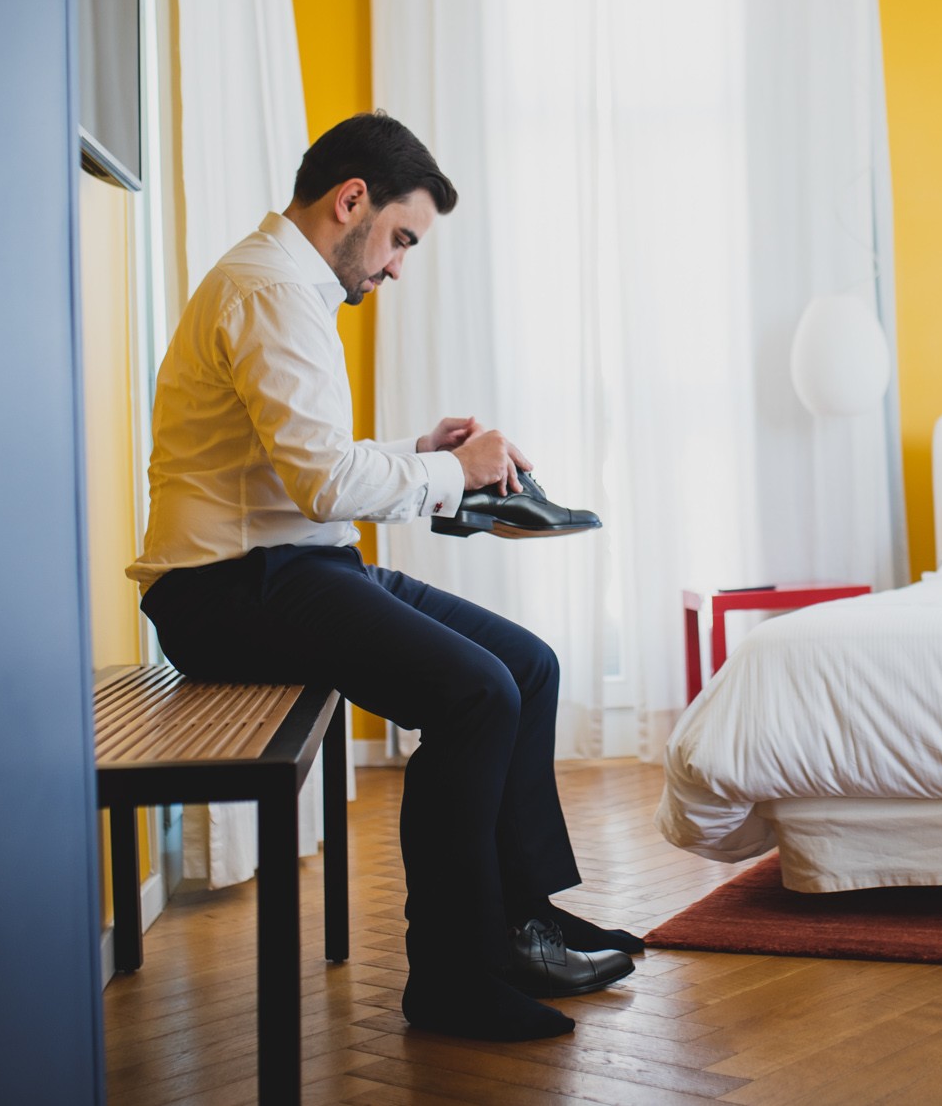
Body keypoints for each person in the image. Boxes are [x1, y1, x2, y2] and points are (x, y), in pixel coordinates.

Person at [127, 111, 637, 1042]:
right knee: (475, 695)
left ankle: (521, 924)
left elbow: (301, 465)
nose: (398, 264)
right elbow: (324, 482)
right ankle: (450, 974)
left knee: (529, 663)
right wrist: (460, 471)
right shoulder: (271, 292)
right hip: (226, 588)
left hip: (289, 562)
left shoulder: (282, 286)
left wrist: (417, 453)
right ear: (350, 200)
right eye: (401, 237)